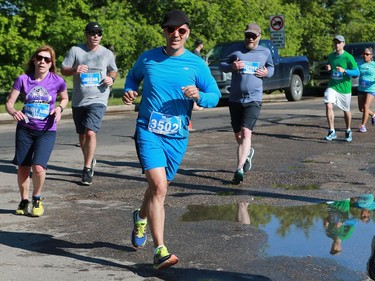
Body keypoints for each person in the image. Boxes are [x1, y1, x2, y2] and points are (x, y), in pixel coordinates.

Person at [122, 9, 221, 270]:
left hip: (177, 136)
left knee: (158, 188)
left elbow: (215, 96)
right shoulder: (148, 59)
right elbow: (132, 78)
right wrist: (130, 90)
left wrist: (198, 95)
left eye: (181, 30)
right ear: (164, 32)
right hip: (148, 130)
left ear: (188, 32)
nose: (175, 34)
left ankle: (140, 217)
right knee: (159, 188)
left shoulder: (196, 64)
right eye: (170, 30)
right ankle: (160, 250)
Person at [5, 45, 69, 217]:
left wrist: (59, 109)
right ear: (34, 60)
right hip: (25, 129)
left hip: (47, 130)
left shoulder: (57, 80)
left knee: (39, 167)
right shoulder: (23, 79)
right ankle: (24, 200)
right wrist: (14, 111)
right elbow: (9, 102)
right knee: (23, 167)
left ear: (51, 63)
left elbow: (65, 98)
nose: (42, 62)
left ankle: (37, 198)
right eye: (39, 58)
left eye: (47, 59)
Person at [61, 22, 118, 186]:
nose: (96, 36)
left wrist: (111, 79)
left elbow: (113, 70)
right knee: (82, 135)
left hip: (99, 98)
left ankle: (86, 169)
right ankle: (90, 159)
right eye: (92, 33)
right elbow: (63, 69)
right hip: (79, 100)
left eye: (99, 33)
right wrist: (74, 70)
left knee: (90, 133)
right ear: (86, 34)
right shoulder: (75, 50)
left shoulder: (106, 53)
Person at [219, 23, 274, 184]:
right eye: (247, 36)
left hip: (254, 99)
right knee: (238, 135)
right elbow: (222, 65)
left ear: (259, 37)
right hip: (235, 99)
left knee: (246, 132)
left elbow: (271, 68)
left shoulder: (265, 51)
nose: (250, 39)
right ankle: (247, 152)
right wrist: (232, 66)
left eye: (253, 36)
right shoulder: (236, 50)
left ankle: (239, 169)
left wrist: (266, 73)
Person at [323, 35, 359, 142]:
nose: (337, 44)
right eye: (335, 42)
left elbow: (357, 72)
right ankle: (332, 131)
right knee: (328, 105)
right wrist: (328, 68)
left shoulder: (348, 57)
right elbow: (330, 66)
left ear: (343, 44)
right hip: (333, 86)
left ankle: (348, 130)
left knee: (346, 111)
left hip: (344, 89)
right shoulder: (331, 56)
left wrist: (345, 71)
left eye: (339, 42)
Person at [357, 47, 375, 133]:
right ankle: (373, 114)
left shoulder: (374, 65)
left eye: (367, 54)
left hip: (371, 88)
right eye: (364, 54)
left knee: (366, 106)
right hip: (361, 88)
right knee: (361, 109)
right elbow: (355, 73)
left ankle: (363, 126)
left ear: (371, 56)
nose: (365, 56)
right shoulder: (359, 64)